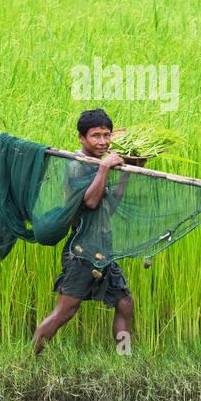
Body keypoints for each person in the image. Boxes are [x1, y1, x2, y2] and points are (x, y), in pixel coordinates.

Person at [31, 108, 140, 354]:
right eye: (95, 136)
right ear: (82, 138)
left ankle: (125, 359)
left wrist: (127, 171)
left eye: (106, 135)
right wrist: (105, 168)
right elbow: (90, 202)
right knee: (65, 311)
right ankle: (26, 359)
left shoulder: (100, 164)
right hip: (81, 252)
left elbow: (108, 208)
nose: (103, 142)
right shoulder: (77, 166)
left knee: (125, 304)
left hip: (103, 250)